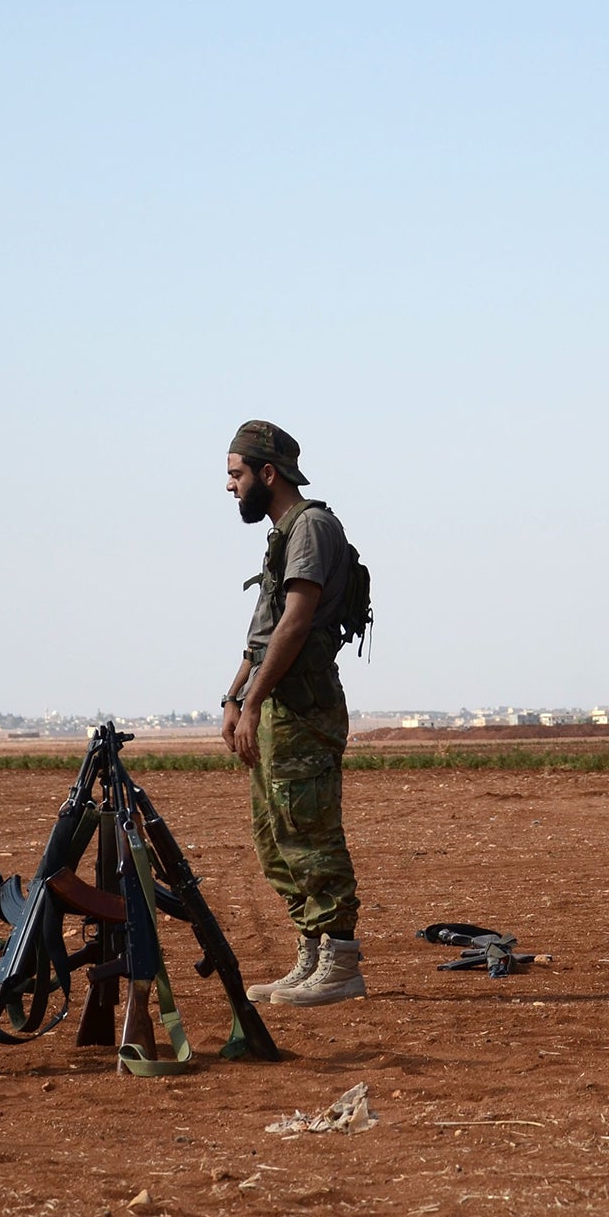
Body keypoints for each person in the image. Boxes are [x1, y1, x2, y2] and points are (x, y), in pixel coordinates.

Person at [221, 420, 365, 1007]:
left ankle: (341, 963)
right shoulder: (284, 534)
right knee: (275, 836)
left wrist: (253, 701)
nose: (230, 487)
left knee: (309, 832)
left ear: (267, 473)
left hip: (302, 706)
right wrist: (234, 697)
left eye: (236, 475)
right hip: (276, 703)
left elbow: (297, 621)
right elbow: (263, 635)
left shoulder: (311, 528)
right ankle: (311, 954)